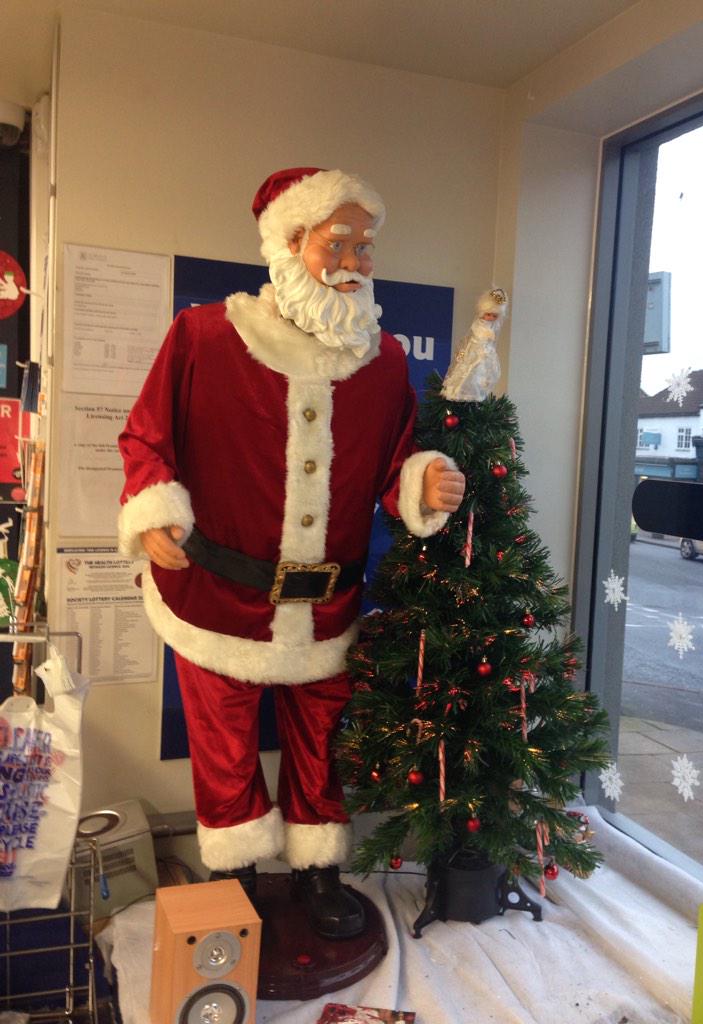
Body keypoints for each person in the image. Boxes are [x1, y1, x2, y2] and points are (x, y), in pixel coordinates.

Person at [117, 167, 465, 938]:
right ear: (289, 241)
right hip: (217, 597)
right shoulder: (205, 336)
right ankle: (234, 875)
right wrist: (153, 511)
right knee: (224, 748)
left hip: (330, 606)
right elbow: (146, 437)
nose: (354, 262)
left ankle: (317, 872)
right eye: (337, 243)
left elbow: (393, 468)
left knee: (321, 746)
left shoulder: (385, 361)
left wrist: (421, 483)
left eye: (365, 247)